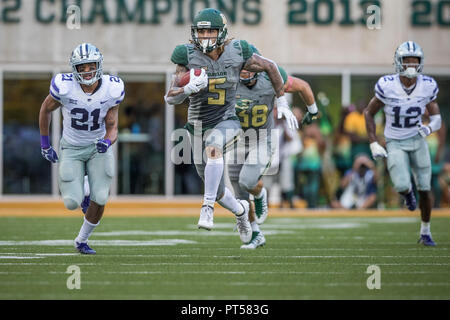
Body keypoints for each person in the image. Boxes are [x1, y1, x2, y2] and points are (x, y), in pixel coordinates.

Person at [164, 8, 294, 244]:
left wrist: (282, 99)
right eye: (201, 31)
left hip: (227, 120)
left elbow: (271, 66)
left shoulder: (237, 52)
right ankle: (241, 212)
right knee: (220, 190)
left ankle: (206, 208)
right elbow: (170, 97)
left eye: (210, 31)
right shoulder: (186, 54)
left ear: (222, 32)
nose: (205, 36)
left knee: (214, 147)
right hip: (196, 127)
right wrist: (187, 89)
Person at [39, 43, 124, 254]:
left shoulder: (111, 88)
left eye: (91, 65)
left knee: (101, 197)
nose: (87, 71)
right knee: (71, 202)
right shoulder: (64, 86)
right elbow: (45, 109)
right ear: (74, 68)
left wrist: (106, 142)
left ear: (99, 64)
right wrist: (45, 143)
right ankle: (85, 186)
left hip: (97, 147)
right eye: (82, 66)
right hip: (72, 147)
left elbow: (112, 127)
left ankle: (81, 240)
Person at [229, 59, 317, 249]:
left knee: (247, 181)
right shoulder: (230, 81)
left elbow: (303, 86)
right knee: (241, 197)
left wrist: (312, 110)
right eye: (241, 69)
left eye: (247, 68)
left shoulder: (270, 79)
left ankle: (260, 194)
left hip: (262, 138)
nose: (243, 72)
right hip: (238, 140)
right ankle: (256, 234)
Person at [364, 41, 441, 246]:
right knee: (401, 184)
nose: (411, 65)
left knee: (425, 187)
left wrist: (429, 128)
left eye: (414, 61)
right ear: (398, 62)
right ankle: (407, 194)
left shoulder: (427, 85)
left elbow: (437, 118)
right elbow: (369, 112)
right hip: (395, 140)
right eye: (406, 60)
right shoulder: (387, 85)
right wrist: (373, 142)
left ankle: (425, 231)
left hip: (418, 140)